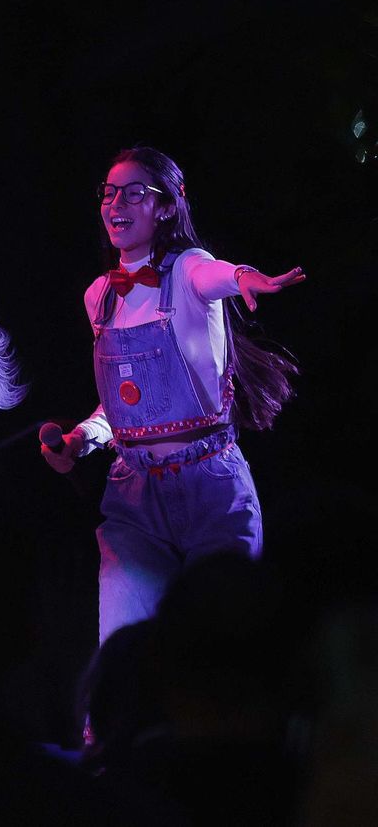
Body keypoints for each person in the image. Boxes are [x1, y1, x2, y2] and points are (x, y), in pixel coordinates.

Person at [41, 146, 304, 642]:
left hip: (210, 488)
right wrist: (83, 439)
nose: (116, 204)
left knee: (223, 644)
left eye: (134, 193)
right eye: (109, 193)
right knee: (121, 648)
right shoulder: (99, 297)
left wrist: (244, 276)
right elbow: (125, 403)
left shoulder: (188, 271)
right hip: (134, 497)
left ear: (165, 207)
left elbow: (216, 273)